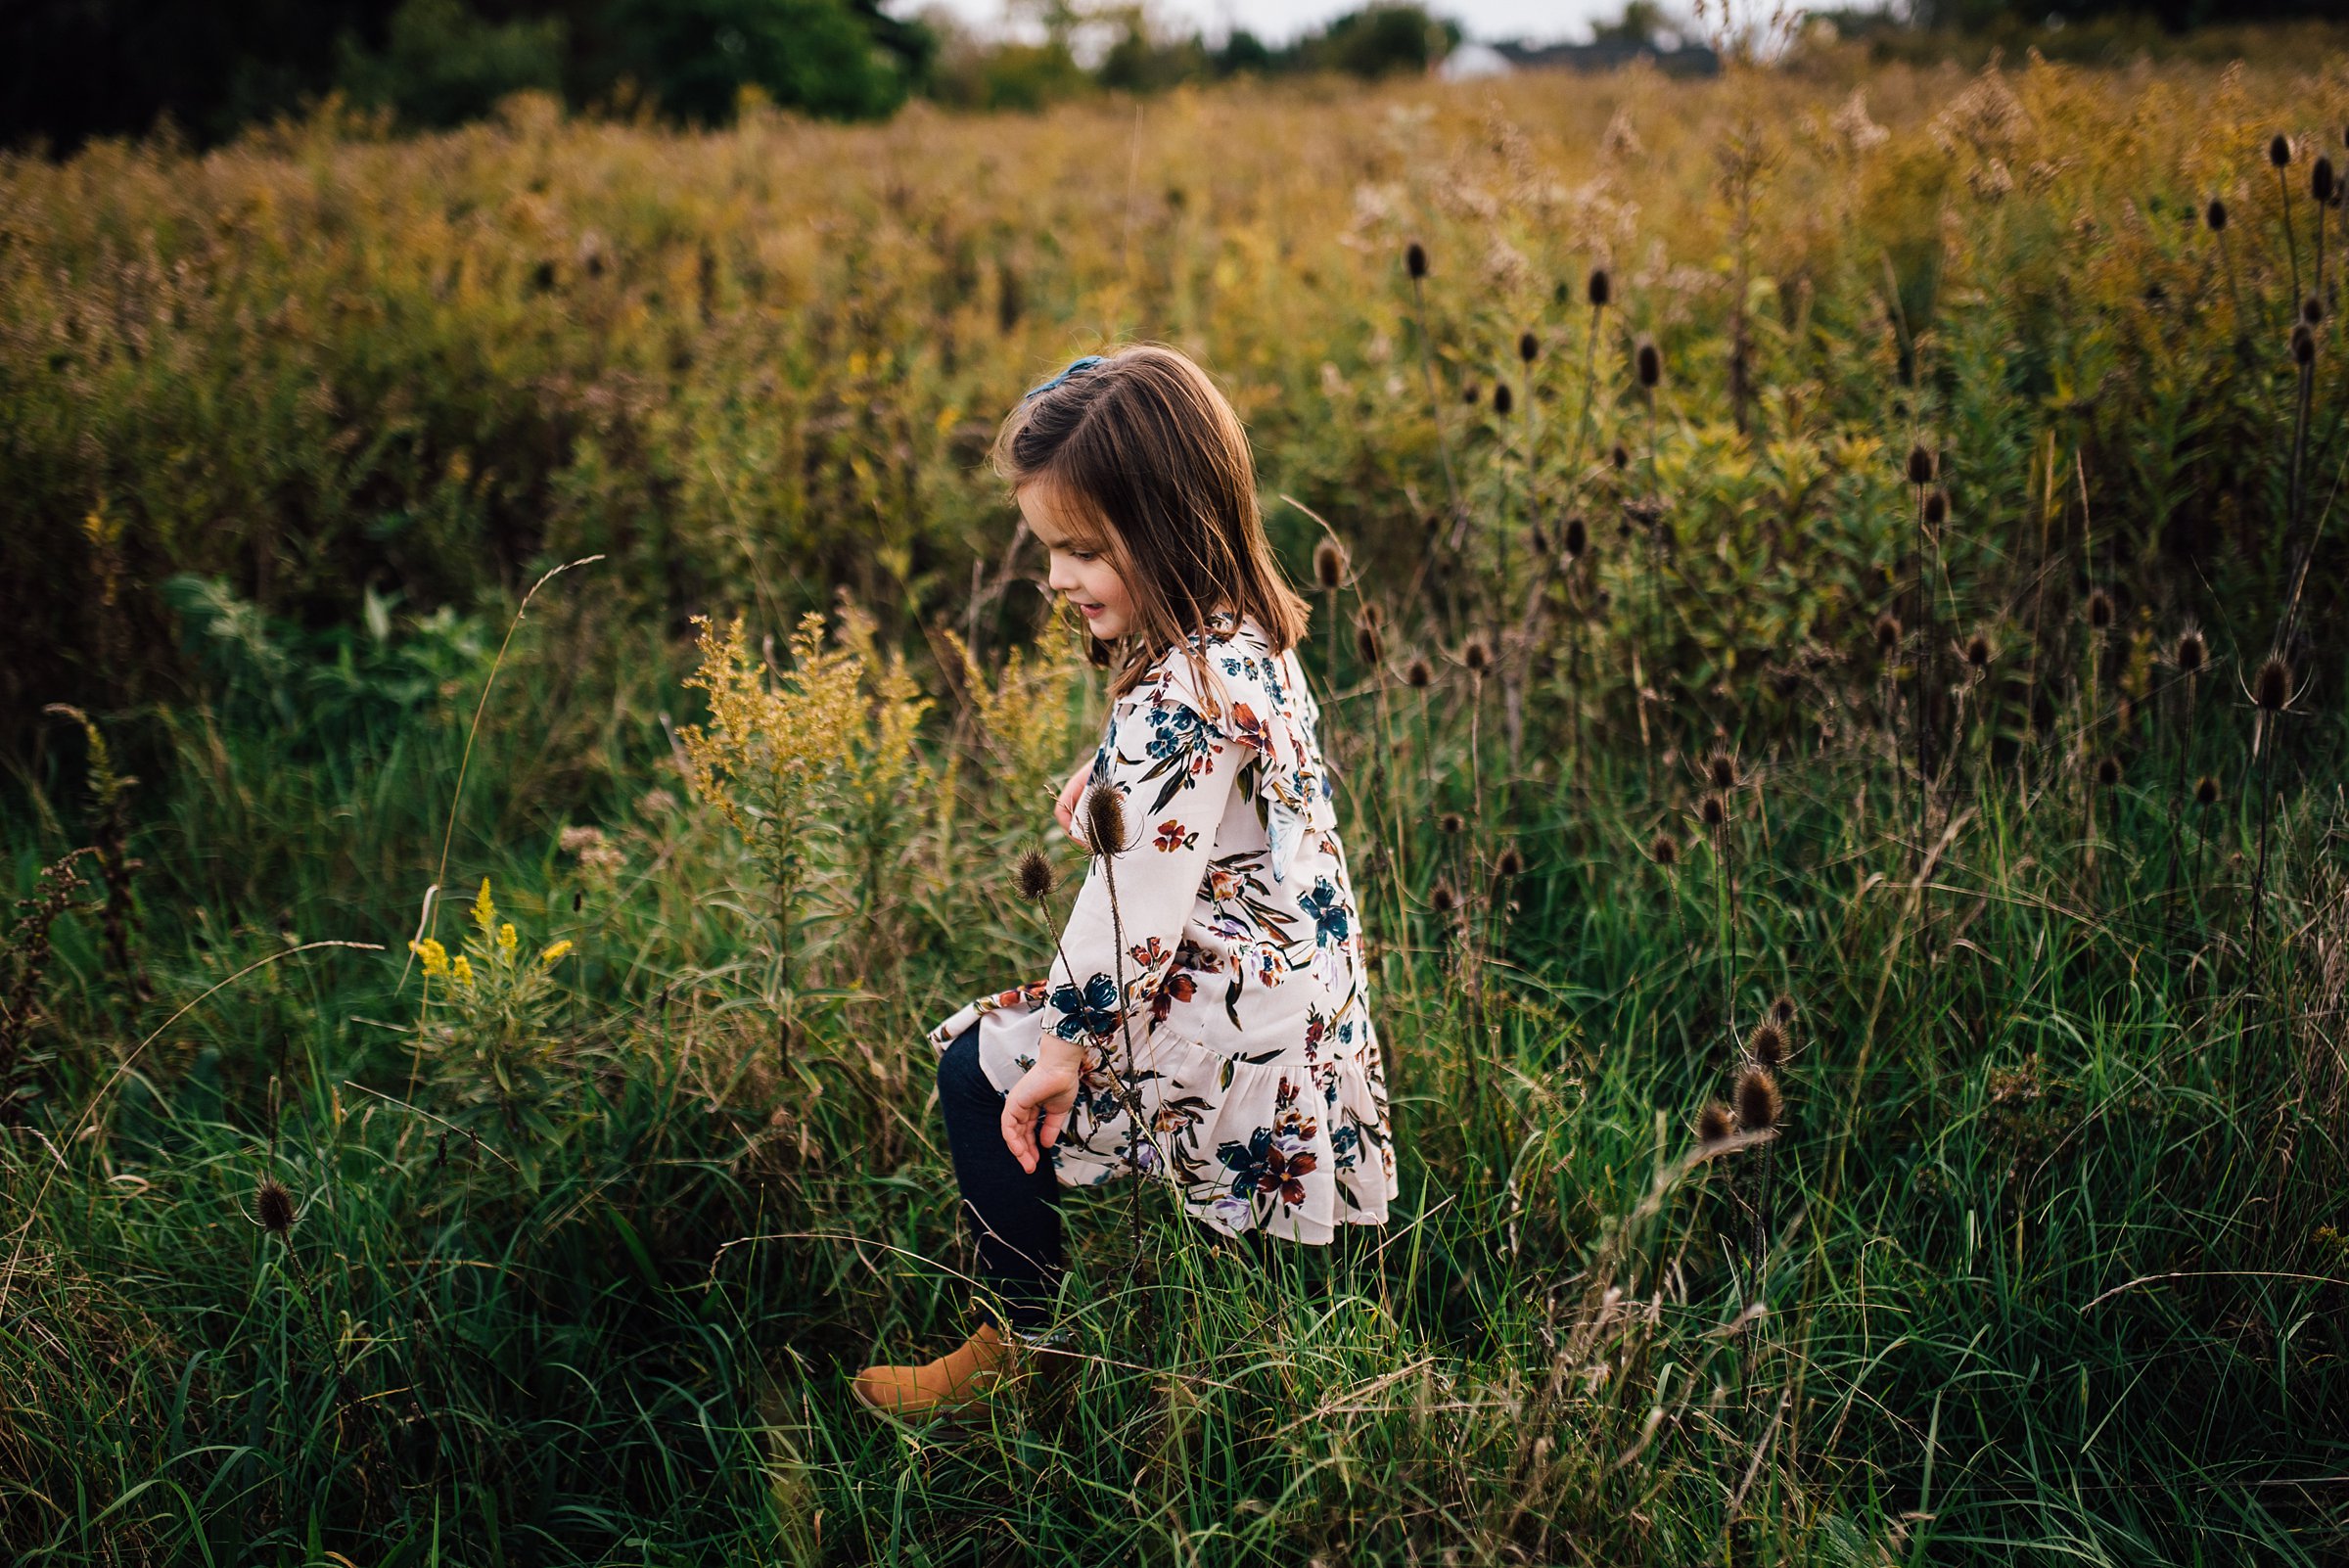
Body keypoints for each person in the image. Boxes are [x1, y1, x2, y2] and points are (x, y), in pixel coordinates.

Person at [851, 345, 1399, 1418]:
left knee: (976, 1072)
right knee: (1254, 1263)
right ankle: (1280, 1359)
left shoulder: (1170, 701)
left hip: (1222, 1015)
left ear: (1169, 528)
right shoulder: (1246, 646)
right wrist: (1111, 771)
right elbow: (1220, 795)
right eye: (1051, 549)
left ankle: (1027, 1341)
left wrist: (1060, 1049)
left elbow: (1128, 909)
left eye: (1084, 551)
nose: (1058, 579)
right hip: (1304, 1002)